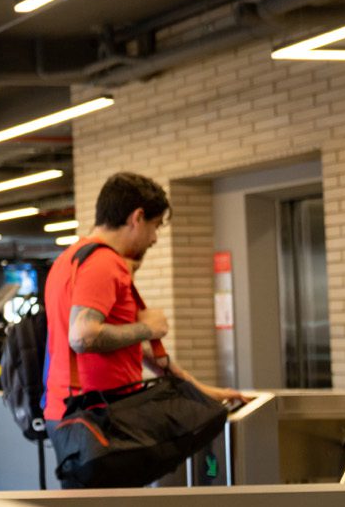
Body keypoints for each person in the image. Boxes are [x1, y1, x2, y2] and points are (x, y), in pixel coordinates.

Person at [42, 172, 243, 484]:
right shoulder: (104, 264)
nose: (155, 238)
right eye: (155, 225)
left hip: (77, 414)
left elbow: (145, 351)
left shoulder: (70, 259)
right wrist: (147, 328)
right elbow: (83, 335)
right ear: (137, 217)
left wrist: (205, 392)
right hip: (100, 420)